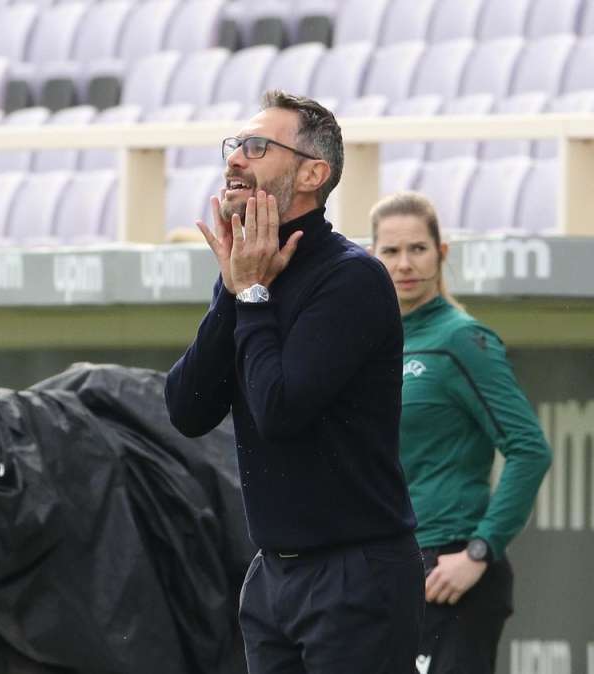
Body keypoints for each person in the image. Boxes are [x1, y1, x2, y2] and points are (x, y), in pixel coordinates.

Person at [164, 90, 425, 674]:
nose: (235, 159)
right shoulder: (248, 273)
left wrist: (252, 294)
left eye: (257, 147)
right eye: (235, 146)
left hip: (355, 578)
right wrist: (235, 293)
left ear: (313, 173)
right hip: (273, 579)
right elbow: (186, 409)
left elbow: (280, 409)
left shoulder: (352, 278)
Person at [369, 192, 552, 674]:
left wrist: (478, 552)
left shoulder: (463, 341)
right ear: (372, 258)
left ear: (442, 252)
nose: (405, 263)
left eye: (418, 249)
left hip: (448, 571)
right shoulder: (373, 342)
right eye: (390, 252)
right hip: (390, 568)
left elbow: (530, 450)